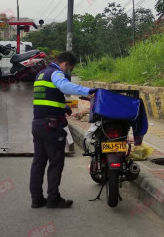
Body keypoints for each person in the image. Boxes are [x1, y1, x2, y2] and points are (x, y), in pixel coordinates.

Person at [30, 51, 98, 209]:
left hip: (38, 123)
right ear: (66, 64)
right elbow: (63, 86)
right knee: (55, 162)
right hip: (51, 126)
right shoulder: (56, 73)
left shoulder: (41, 74)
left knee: (38, 163)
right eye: (70, 69)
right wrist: (87, 91)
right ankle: (53, 198)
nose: (69, 72)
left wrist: (64, 107)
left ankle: (37, 199)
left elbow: (45, 98)